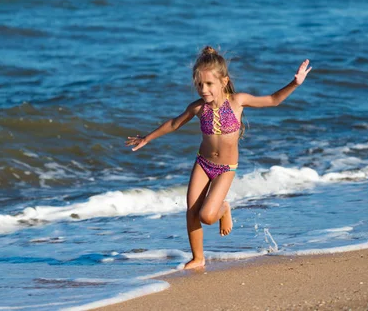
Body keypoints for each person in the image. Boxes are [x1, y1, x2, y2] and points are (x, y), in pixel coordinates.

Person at [126, 46, 312, 270]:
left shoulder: (238, 101)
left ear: (223, 82)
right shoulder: (198, 108)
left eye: (209, 84)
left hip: (226, 168)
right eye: (199, 84)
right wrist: (147, 138)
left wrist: (295, 83)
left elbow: (273, 100)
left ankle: (224, 208)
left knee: (207, 216)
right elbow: (174, 123)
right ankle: (198, 258)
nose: (203, 89)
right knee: (192, 211)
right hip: (203, 164)